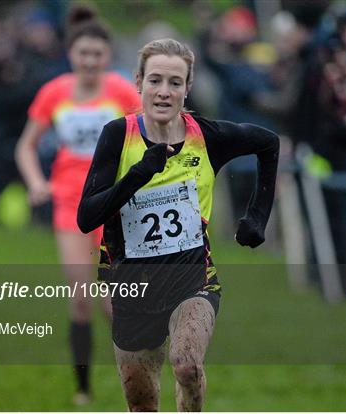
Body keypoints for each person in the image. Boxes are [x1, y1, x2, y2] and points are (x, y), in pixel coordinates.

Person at [78, 38, 279, 411]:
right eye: (155, 81)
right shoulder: (118, 136)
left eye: (175, 83)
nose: (164, 92)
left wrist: (257, 216)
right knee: (142, 405)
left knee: (186, 366)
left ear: (188, 88)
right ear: (138, 83)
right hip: (130, 285)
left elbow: (268, 143)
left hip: (192, 280)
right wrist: (139, 174)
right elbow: (87, 217)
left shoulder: (208, 138)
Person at [14, 5, 140, 405]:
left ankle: (138, 379)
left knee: (116, 300)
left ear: (107, 57)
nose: (89, 61)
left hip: (116, 202)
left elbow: (146, 140)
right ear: (71, 54)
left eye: (97, 54)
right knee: (82, 297)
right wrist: (36, 182)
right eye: (82, 53)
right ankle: (83, 388)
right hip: (69, 201)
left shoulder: (121, 93)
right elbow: (25, 146)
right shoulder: (54, 92)